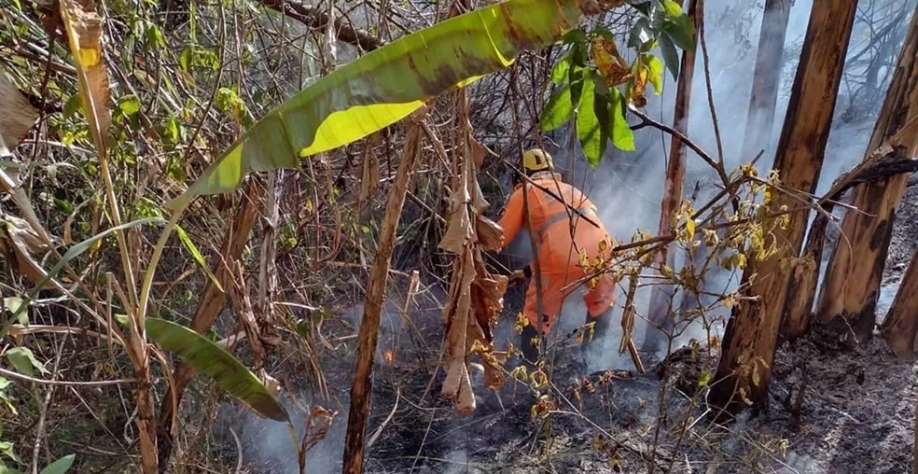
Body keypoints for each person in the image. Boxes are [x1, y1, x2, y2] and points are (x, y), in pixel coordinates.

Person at [496, 148, 617, 366]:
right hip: (602, 247)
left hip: (561, 255)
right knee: (602, 304)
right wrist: (526, 272)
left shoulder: (525, 191)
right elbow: (567, 231)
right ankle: (590, 367)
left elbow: (499, 237)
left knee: (535, 317)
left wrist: (471, 233)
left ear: (521, 173)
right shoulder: (569, 189)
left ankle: (531, 378)